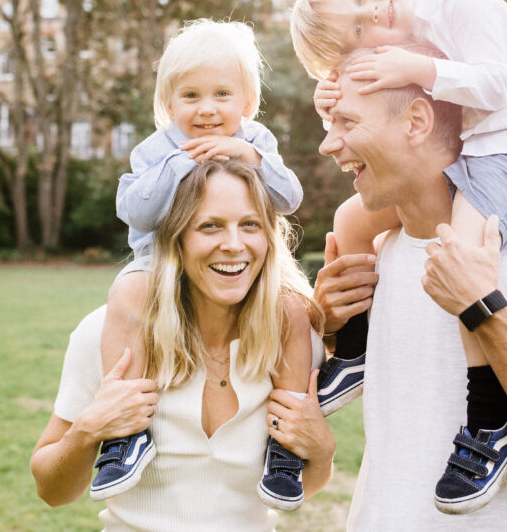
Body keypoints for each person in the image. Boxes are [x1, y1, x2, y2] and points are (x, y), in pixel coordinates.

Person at [289, 0, 507, 512]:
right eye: (356, 30)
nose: (371, 12)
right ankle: (352, 353)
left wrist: (413, 66)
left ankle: (490, 419)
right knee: (351, 221)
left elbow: (495, 85)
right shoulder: (408, 42)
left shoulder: (461, 5)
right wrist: (331, 93)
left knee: (461, 257)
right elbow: (383, 105)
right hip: (474, 151)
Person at [312, 72, 507, 529]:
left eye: (348, 122)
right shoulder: (383, 254)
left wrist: (482, 308)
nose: (328, 144)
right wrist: (336, 331)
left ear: (416, 122)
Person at [31, 160, 336, 531]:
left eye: (250, 225)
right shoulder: (105, 334)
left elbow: (301, 488)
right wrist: (86, 431)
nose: (234, 245)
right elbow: (51, 490)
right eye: (210, 226)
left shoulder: (292, 342)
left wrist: (322, 453)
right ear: (177, 239)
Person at [97, 20, 312, 508]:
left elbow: (290, 197)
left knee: (296, 311)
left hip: (243, 270)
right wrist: (179, 164)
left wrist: (252, 157)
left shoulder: (256, 141)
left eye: (221, 94)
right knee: (127, 291)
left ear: (247, 103)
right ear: (169, 105)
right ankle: (126, 432)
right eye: (191, 96)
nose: (207, 109)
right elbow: (134, 210)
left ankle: (284, 444)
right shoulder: (155, 151)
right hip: (161, 266)